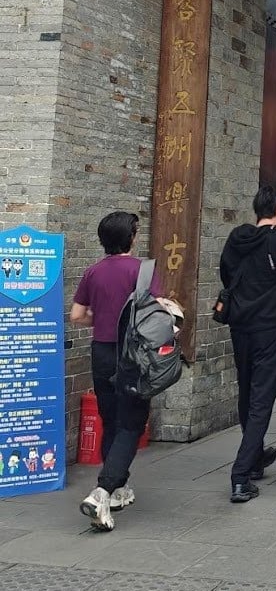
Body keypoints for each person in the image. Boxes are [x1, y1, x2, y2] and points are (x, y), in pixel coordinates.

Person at [71, 211, 165, 532]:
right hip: (132, 356)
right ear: (132, 236)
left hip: (102, 352)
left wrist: (102, 322)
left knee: (111, 419)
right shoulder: (142, 271)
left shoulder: (93, 271)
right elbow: (156, 313)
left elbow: (76, 315)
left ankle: (119, 490)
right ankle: (103, 491)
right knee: (131, 425)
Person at [219, 184, 276, 503]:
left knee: (247, 391)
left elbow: (226, 274)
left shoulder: (237, 237)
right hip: (269, 326)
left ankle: (255, 456)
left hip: (239, 324)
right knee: (262, 398)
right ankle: (241, 476)